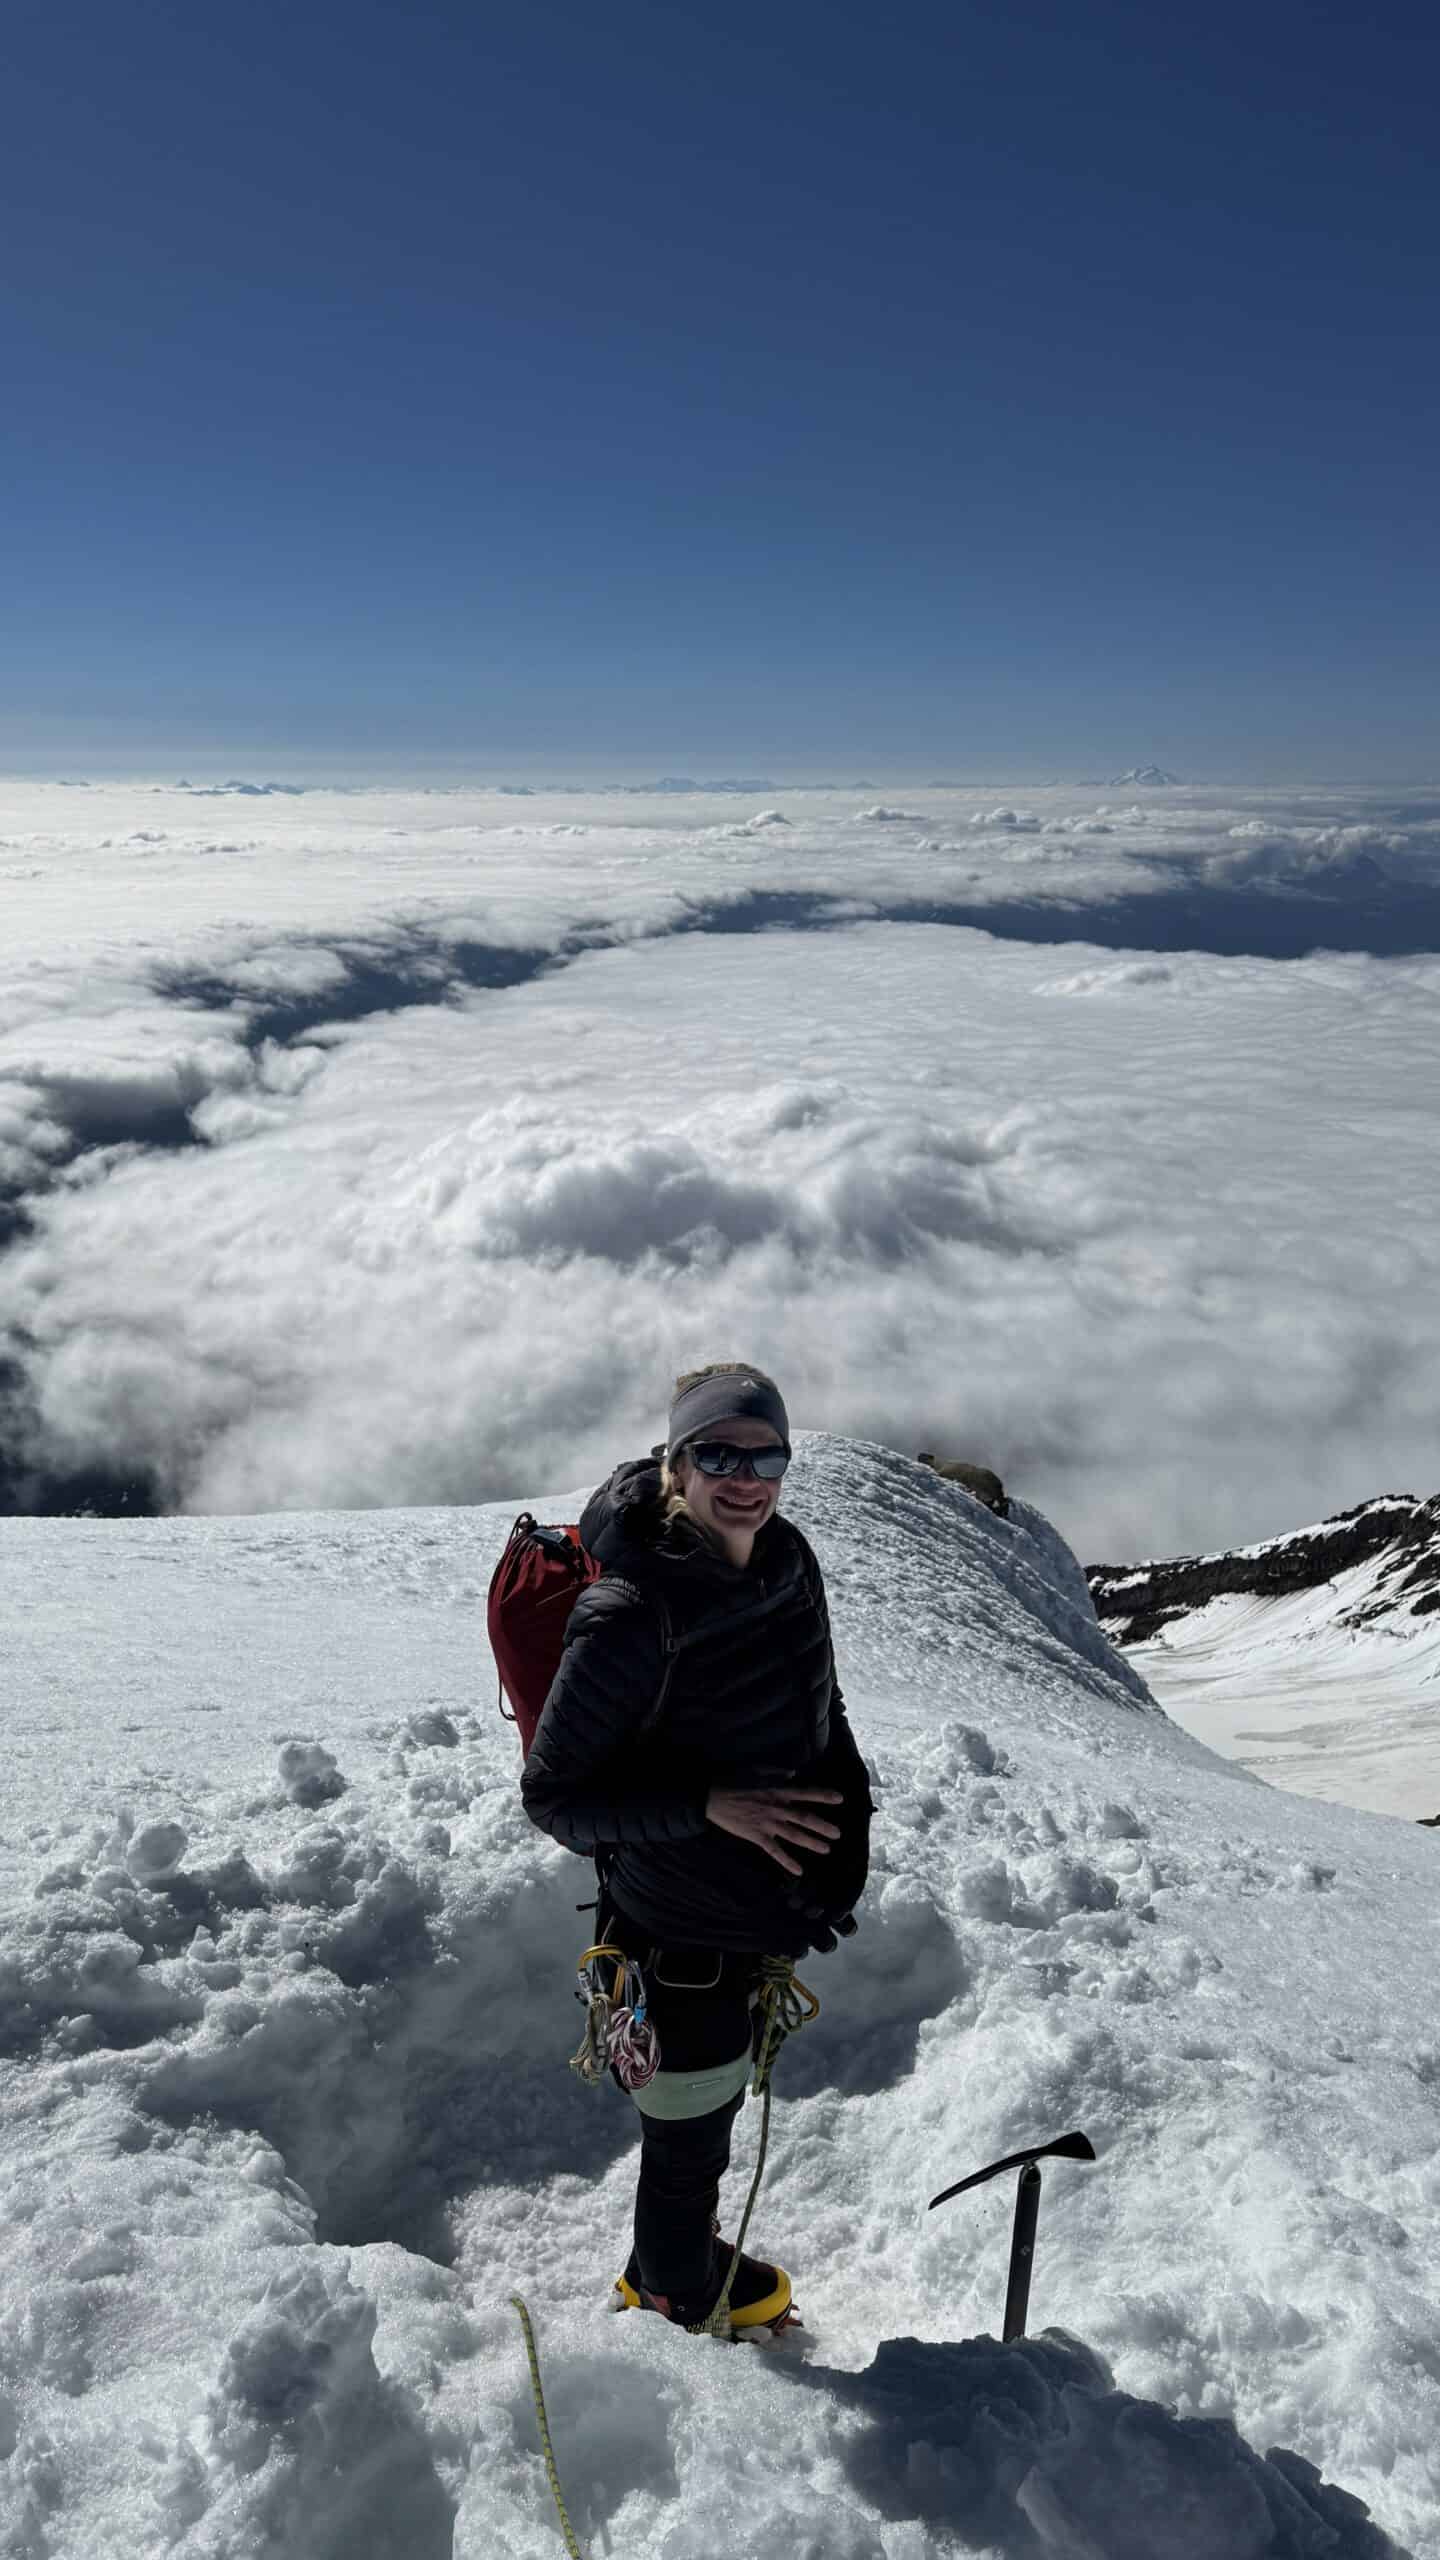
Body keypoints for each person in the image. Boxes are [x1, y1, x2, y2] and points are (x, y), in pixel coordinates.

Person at [521, 1361, 872, 2334]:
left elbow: (818, 1711)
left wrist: (834, 1861)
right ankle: (672, 2289)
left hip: (745, 1927)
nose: (746, 1475)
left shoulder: (787, 1559)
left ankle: (666, 2261)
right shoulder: (632, 1614)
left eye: (768, 1454)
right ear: (676, 1464)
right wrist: (708, 1805)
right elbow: (554, 1798)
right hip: (675, 1938)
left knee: (700, 2124)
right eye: (718, 1451)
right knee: (687, 2145)